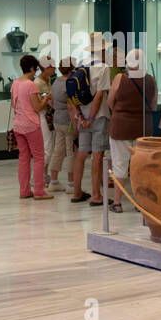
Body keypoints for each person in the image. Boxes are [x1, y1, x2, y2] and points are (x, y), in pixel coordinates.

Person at [107, 49, 157, 213]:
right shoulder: (151, 80)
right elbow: (154, 104)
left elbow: (110, 101)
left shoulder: (120, 78)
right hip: (143, 127)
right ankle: (140, 202)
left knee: (119, 164)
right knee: (141, 166)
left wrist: (121, 112)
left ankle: (117, 202)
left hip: (121, 127)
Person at [70, 33, 111, 205]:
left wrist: (81, 116)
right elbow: (100, 96)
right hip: (98, 116)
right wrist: (91, 118)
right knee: (97, 155)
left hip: (82, 116)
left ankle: (77, 192)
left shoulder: (80, 65)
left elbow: (73, 93)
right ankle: (96, 195)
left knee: (81, 153)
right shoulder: (103, 67)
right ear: (102, 49)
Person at [11, 54, 52, 200]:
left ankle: (24, 190)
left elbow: (14, 104)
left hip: (18, 124)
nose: (36, 72)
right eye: (35, 69)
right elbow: (38, 107)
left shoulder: (15, 83)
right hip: (31, 125)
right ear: (31, 68)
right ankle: (40, 191)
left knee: (23, 158)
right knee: (39, 157)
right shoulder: (31, 85)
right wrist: (46, 98)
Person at [48, 58, 76, 192]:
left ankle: (53, 181)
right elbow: (71, 107)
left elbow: (51, 102)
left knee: (58, 150)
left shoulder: (56, 81)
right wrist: (75, 124)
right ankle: (71, 183)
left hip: (57, 118)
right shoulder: (71, 83)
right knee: (71, 152)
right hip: (68, 120)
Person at [36, 54, 59, 193]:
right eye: (52, 66)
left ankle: (43, 175)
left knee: (49, 146)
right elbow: (39, 102)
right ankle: (41, 176)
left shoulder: (48, 79)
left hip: (49, 115)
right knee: (47, 147)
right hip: (43, 116)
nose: (54, 68)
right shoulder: (38, 83)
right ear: (46, 67)